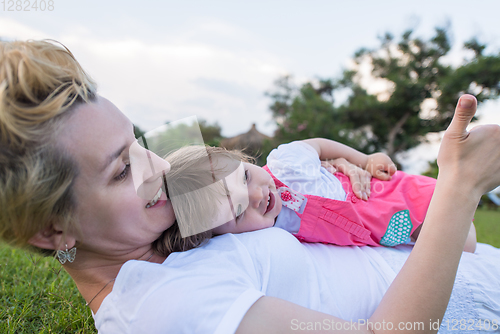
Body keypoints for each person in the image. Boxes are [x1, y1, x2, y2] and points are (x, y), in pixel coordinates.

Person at [1, 39, 500, 334]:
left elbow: (271, 193)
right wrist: (460, 187)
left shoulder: (160, 230)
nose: (155, 165)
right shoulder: (164, 308)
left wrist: (339, 174)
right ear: (53, 231)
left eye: (138, 143)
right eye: (120, 171)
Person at [163, 140, 477, 253]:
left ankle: (466, 177)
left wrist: (363, 159)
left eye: (244, 177)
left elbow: (321, 146)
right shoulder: (265, 233)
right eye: (239, 210)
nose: (258, 195)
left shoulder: (286, 164)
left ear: (243, 161)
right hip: (383, 229)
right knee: (449, 242)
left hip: (384, 194)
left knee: (464, 239)